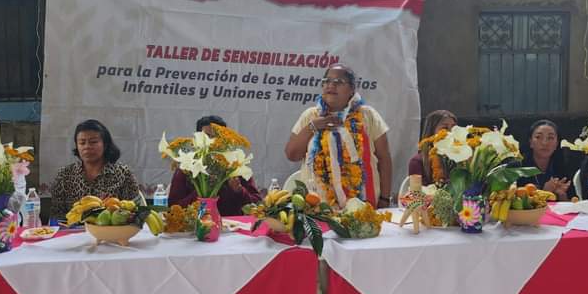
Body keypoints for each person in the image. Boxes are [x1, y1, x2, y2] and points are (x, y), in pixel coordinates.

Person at [285, 64, 393, 208]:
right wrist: (313, 126)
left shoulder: (368, 115)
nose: (331, 85)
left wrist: (385, 199)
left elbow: (384, 158)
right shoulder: (310, 116)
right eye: (327, 81)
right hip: (319, 209)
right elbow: (292, 155)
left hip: (364, 209)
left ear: (352, 89)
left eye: (338, 82)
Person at [168, 115, 262, 215]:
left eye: (218, 137)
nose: (213, 142)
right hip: (196, 227)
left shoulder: (235, 164)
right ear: (197, 138)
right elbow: (173, 208)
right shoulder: (187, 167)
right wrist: (202, 193)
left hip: (232, 228)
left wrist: (239, 191)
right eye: (207, 136)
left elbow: (258, 204)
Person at [50, 119, 140, 217]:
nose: (87, 147)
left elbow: (135, 212)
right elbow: (56, 215)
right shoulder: (64, 175)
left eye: (93, 142)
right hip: (73, 230)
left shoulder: (123, 174)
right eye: (82, 142)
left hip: (112, 230)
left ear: (105, 145)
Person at [517, 120, 576, 200]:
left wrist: (562, 195)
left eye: (550, 138)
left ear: (556, 144)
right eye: (538, 137)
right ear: (530, 142)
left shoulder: (563, 167)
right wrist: (544, 191)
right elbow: (514, 204)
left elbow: (574, 203)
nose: (545, 143)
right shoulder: (518, 168)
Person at [407, 110, 457, 186]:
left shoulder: (460, 159)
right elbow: (415, 194)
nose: (450, 132)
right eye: (445, 128)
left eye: (454, 128)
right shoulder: (417, 161)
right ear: (431, 130)